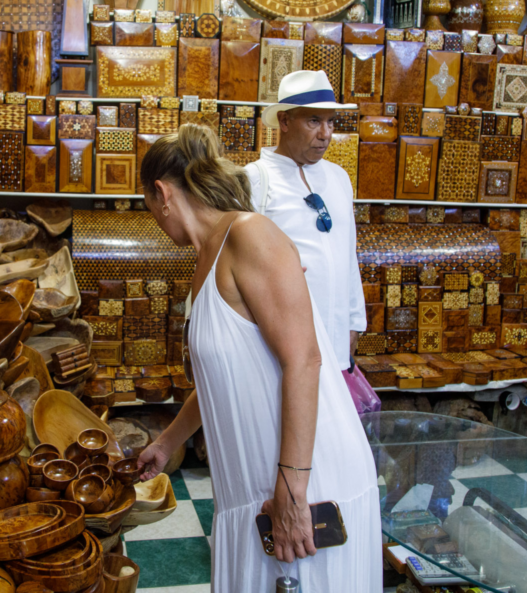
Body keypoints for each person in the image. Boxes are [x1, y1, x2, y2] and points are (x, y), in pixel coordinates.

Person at [135, 124, 380, 592]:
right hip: (252, 488)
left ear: (162, 193)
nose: (153, 217)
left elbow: (304, 360)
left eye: (148, 205)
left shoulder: (248, 235)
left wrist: (291, 493)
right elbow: (227, 377)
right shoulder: (207, 257)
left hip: (306, 482)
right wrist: (167, 443)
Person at [244, 69, 367, 368]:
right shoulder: (254, 180)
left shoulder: (339, 178)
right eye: (314, 121)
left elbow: (346, 254)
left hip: (336, 336)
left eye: (330, 122)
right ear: (285, 121)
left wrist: (353, 321)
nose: (325, 134)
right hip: (278, 342)